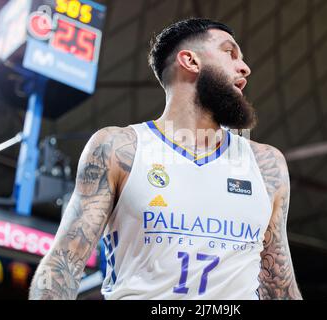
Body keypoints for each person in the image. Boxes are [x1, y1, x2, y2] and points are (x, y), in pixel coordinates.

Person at [29, 18, 302, 300]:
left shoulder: (266, 163)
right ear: (190, 61)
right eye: (229, 53)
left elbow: (279, 286)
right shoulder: (119, 147)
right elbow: (62, 264)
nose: (244, 67)